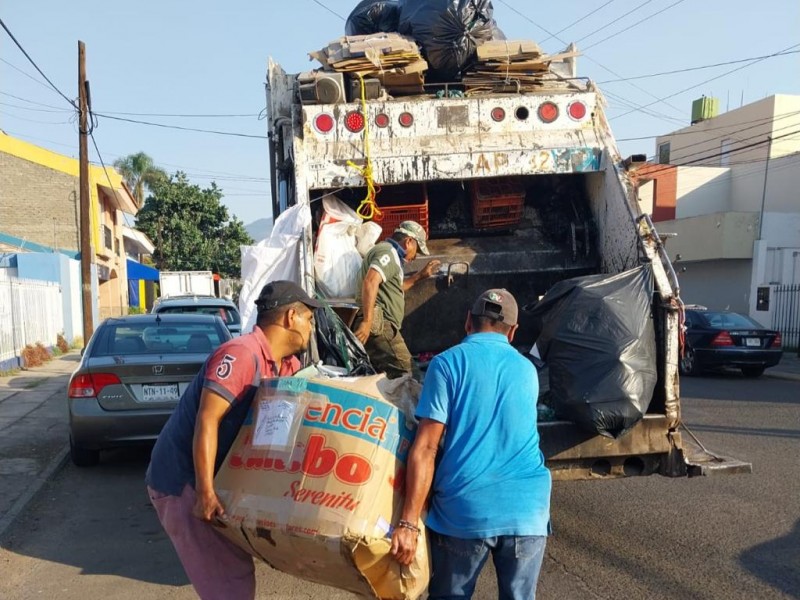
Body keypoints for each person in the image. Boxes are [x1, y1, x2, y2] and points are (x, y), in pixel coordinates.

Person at [145, 280, 320, 600]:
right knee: (230, 586)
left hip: (221, 479)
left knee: (236, 576)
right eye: (309, 318)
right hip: (185, 484)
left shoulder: (286, 366)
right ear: (290, 317)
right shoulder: (241, 355)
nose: (312, 327)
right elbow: (207, 420)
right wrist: (205, 493)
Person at [390, 289, 552, 600]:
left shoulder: (446, 365)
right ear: (513, 331)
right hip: (528, 510)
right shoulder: (527, 370)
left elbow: (425, 448)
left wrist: (408, 524)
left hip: (465, 511)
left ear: (468, 322)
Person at [353, 220, 440, 379]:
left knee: (389, 379)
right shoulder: (388, 253)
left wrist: (420, 276)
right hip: (380, 324)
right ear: (408, 242)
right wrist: (367, 321)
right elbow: (371, 281)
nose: (415, 257)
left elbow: (396, 288)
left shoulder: (392, 257)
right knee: (410, 376)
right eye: (417, 250)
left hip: (382, 324)